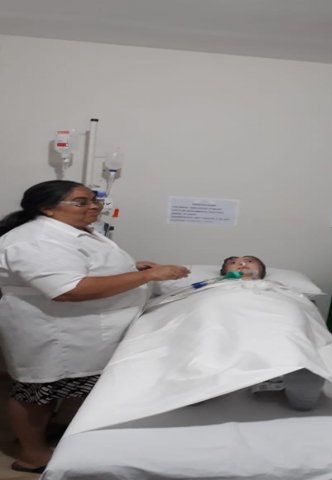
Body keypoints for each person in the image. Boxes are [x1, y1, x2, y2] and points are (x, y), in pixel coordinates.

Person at [0, 180, 190, 473]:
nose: (94, 207)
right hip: (53, 333)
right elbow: (69, 289)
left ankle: (52, 434)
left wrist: (129, 269)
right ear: (47, 208)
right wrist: (147, 277)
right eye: (81, 202)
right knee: (36, 393)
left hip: (82, 332)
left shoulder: (71, 231)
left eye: (94, 200)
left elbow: (81, 267)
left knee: (60, 391)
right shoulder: (36, 239)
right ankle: (32, 456)